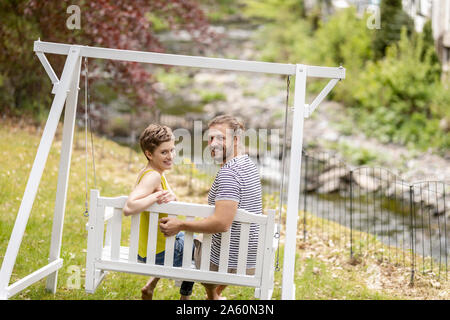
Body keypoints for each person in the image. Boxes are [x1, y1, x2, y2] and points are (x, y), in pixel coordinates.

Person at [159, 115, 262, 300]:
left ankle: (210, 294)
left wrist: (180, 225)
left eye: (221, 138)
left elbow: (221, 224)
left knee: (184, 239)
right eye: (211, 138)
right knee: (199, 233)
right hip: (250, 256)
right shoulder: (248, 165)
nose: (213, 143)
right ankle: (213, 296)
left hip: (224, 262)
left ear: (236, 140)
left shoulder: (229, 174)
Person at [123, 124, 194, 300]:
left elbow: (173, 200)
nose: (170, 156)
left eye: (172, 150)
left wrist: (168, 195)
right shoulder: (153, 176)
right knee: (199, 251)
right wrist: (155, 198)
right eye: (164, 152)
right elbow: (129, 207)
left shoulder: (154, 172)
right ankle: (185, 299)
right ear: (149, 154)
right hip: (157, 253)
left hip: (149, 249)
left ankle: (150, 286)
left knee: (189, 241)